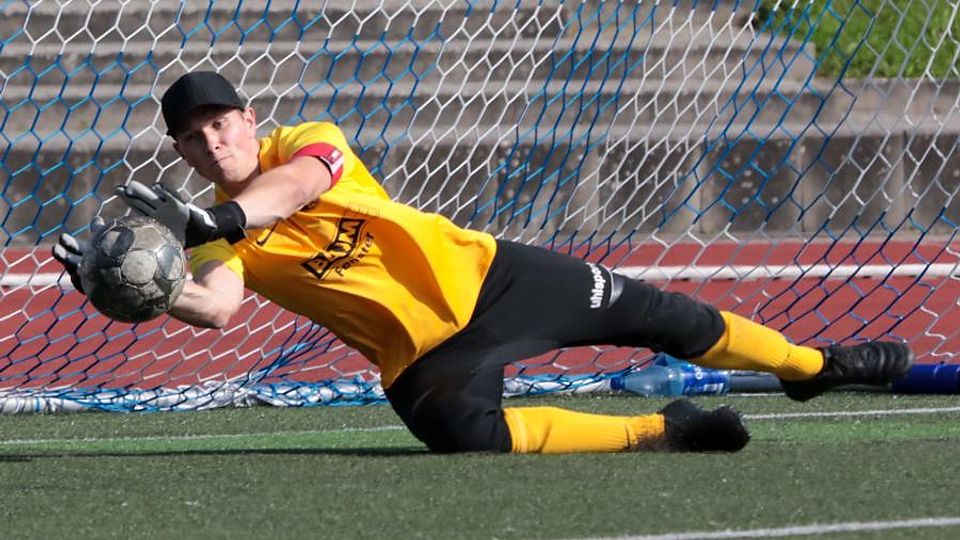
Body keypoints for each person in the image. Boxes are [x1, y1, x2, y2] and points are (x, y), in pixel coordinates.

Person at [53, 71, 913, 454]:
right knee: (466, 439)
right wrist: (126, 288)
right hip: (423, 355)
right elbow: (214, 309)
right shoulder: (205, 233)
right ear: (183, 149)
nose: (213, 139)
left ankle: (812, 366)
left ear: (250, 117)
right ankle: (665, 431)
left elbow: (296, 187)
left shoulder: (306, 140)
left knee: (666, 315)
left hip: (490, 275)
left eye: (222, 122)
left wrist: (219, 217)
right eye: (194, 135)